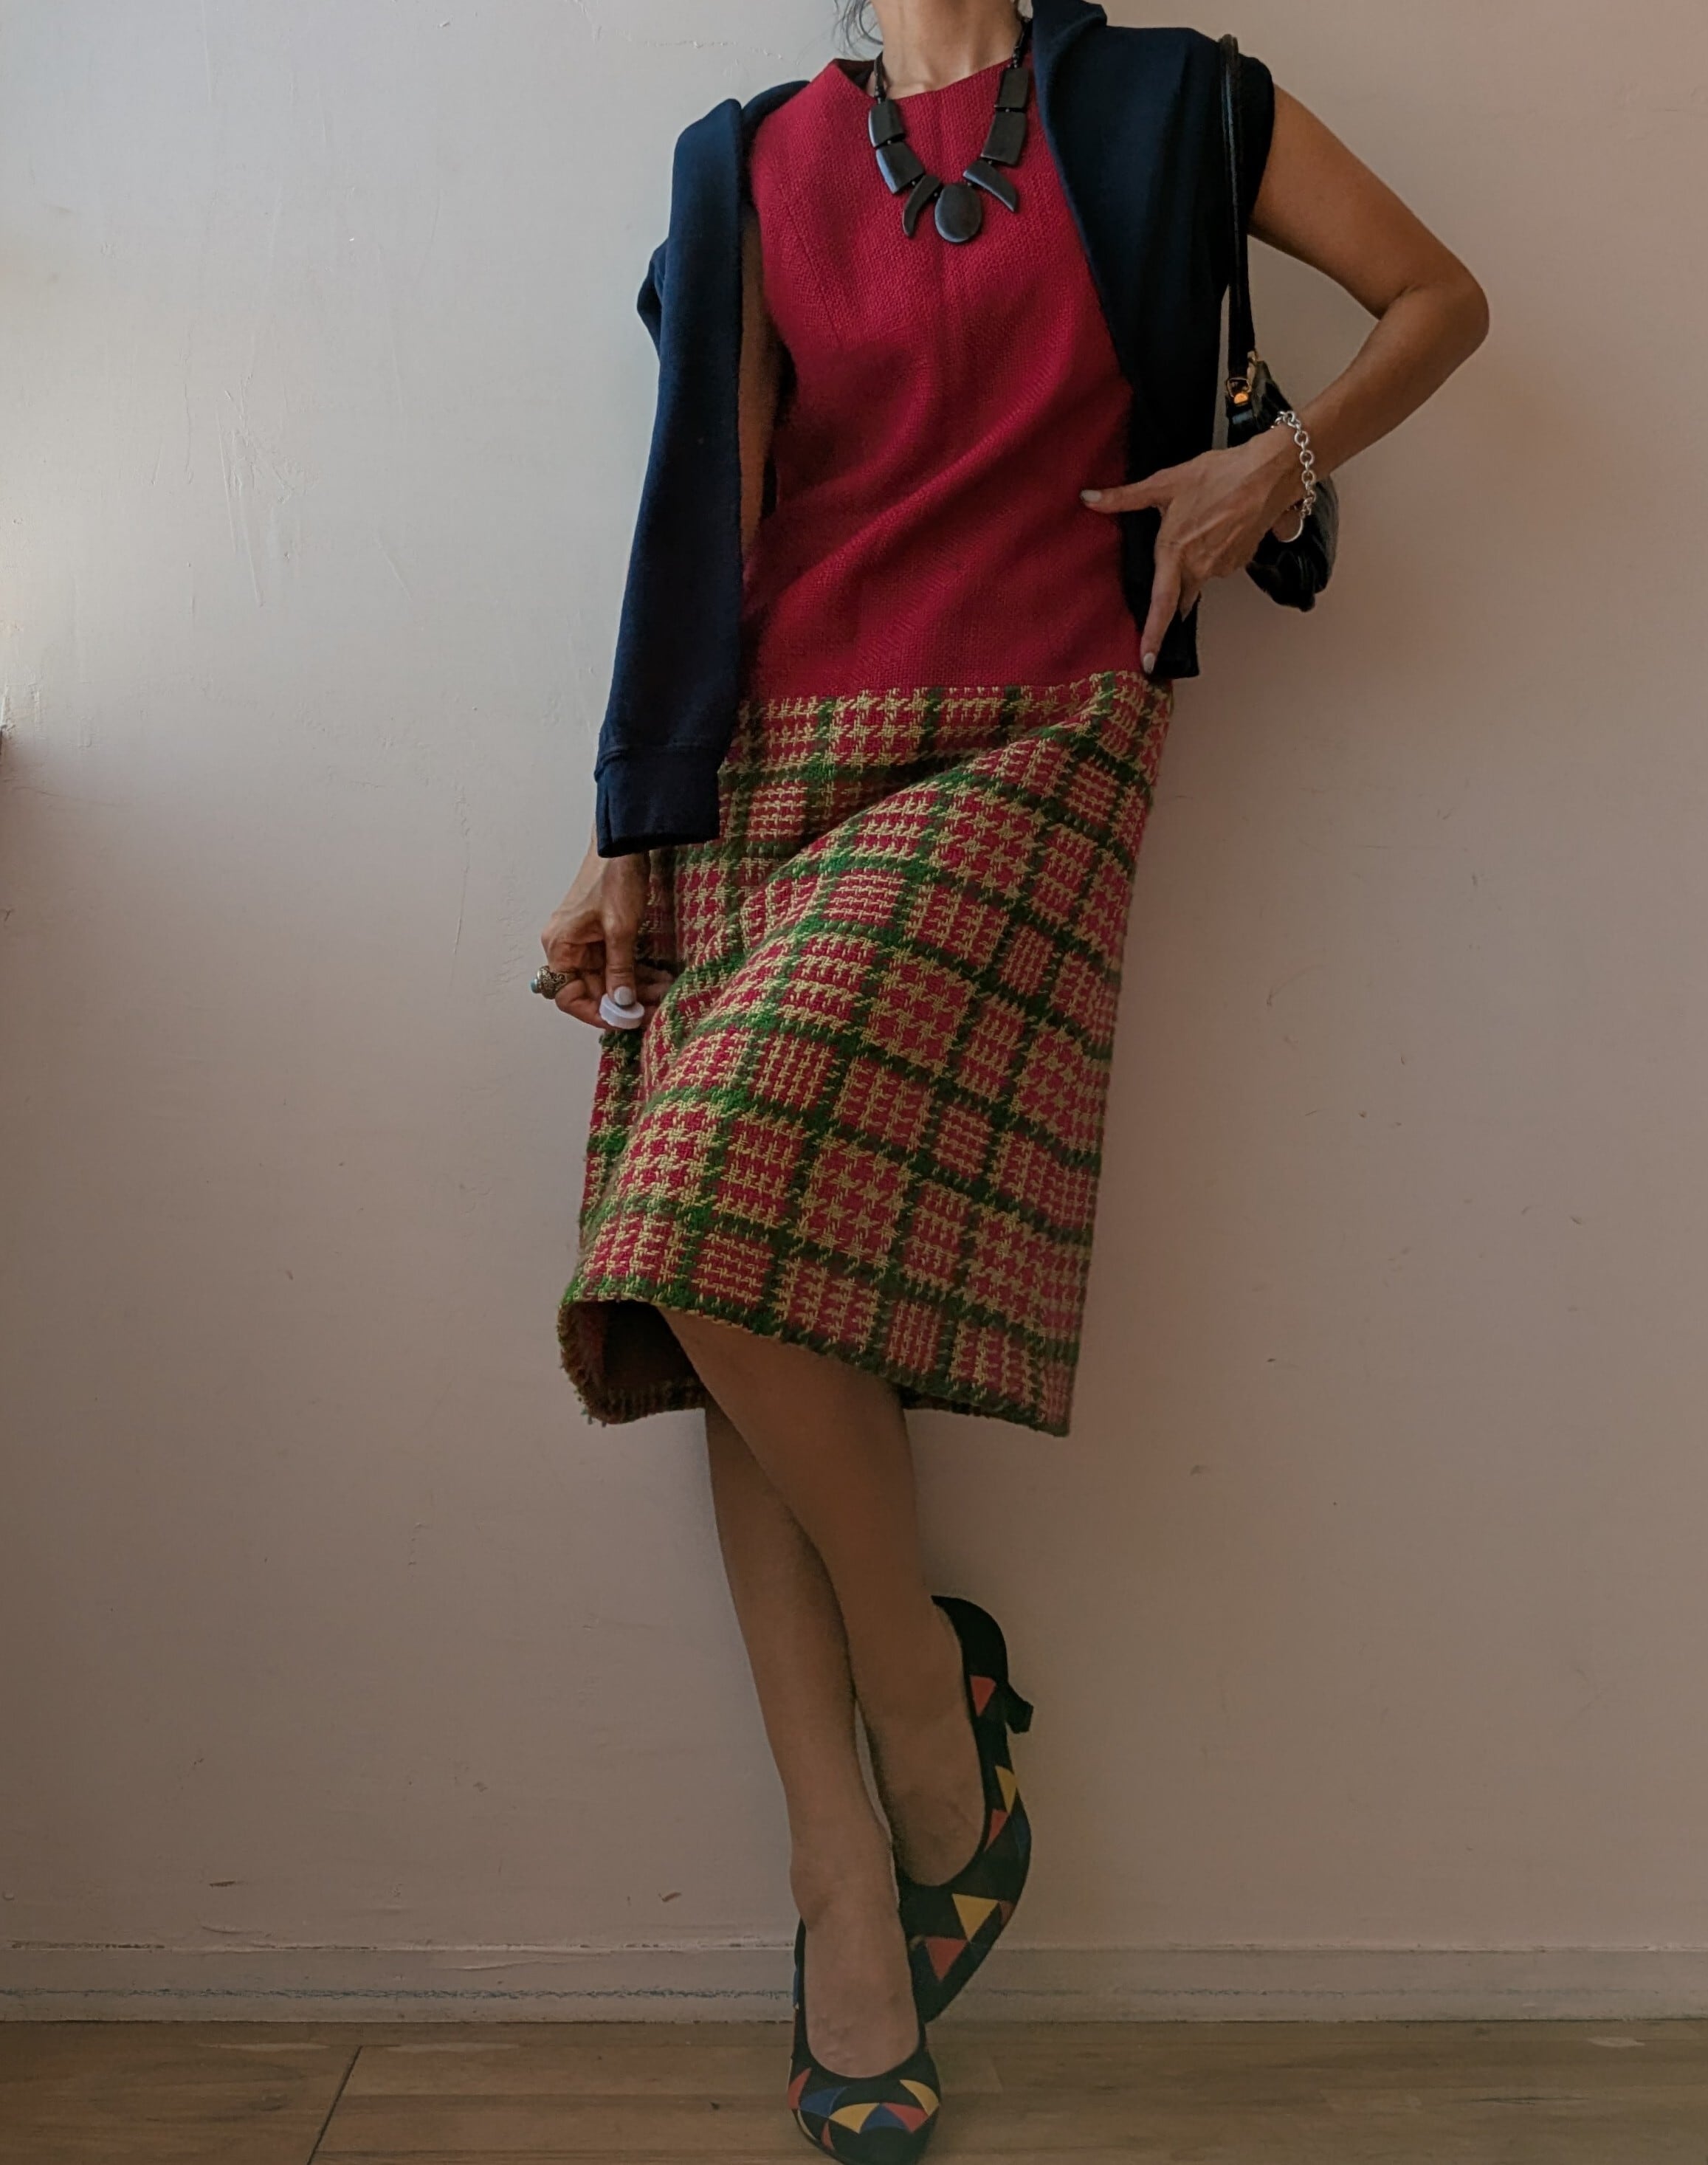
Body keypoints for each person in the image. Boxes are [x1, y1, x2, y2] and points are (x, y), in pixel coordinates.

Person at [534, 1, 1487, 2153]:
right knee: (715, 1267)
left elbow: (1442, 297)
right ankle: (847, 1879)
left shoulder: (1175, 101)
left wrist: (1282, 459)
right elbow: (704, 517)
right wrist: (623, 829)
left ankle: (922, 1712)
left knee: (708, 1209)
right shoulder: (748, 159)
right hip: (770, 757)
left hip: (1044, 727)